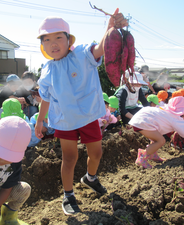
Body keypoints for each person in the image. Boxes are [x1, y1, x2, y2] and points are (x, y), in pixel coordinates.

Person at [35, 12, 128, 215]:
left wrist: (110, 28)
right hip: (64, 121)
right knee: (69, 158)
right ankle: (68, 195)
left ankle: (90, 178)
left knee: (96, 154)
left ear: (69, 39)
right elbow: (46, 98)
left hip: (87, 117)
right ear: (43, 46)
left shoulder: (81, 54)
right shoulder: (47, 70)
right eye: (47, 39)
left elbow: (101, 48)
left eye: (59, 37)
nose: (53, 43)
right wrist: (40, 120)